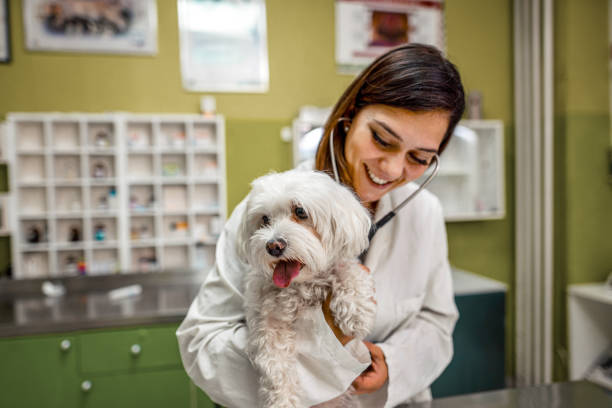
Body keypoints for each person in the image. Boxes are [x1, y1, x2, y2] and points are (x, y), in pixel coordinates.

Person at [177, 43, 465, 407]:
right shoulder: (266, 210)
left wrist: (393, 363)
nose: (392, 169)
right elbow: (202, 340)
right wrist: (301, 370)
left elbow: (437, 323)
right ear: (350, 116)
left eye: (419, 158)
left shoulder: (425, 213)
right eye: (381, 139)